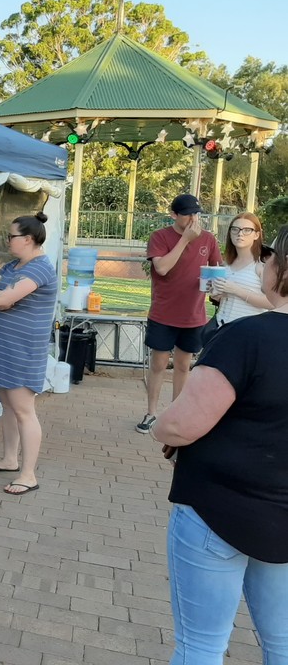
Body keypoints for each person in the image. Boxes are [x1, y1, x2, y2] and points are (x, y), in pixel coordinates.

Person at [152, 227, 288, 663]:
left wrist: (160, 430)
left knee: (202, 646)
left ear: (282, 270)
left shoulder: (249, 337)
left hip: (220, 509)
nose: (264, 263)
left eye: (271, 258)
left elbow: (178, 426)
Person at [0, 212, 58, 496]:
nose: (7, 240)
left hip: (23, 351)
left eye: (11, 236)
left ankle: (28, 474)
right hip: (5, 347)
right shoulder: (12, 265)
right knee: (9, 407)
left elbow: (0, 297)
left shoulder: (39, 268)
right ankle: (10, 459)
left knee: (24, 410)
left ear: (27, 239)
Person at [136, 194, 222, 433]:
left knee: (184, 365)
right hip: (164, 313)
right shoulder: (160, 237)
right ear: (174, 215)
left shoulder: (208, 239)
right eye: (187, 214)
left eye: (196, 213)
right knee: (159, 363)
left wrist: (217, 288)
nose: (193, 218)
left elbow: (216, 270)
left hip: (193, 314)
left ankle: (175, 412)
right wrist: (184, 240)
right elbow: (161, 268)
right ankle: (151, 412)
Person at [203, 212, 272, 346]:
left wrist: (235, 289)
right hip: (221, 329)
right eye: (235, 229)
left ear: (256, 235)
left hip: (249, 334)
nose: (240, 234)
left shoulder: (261, 266)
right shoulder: (226, 265)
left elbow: (272, 302)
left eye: (247, 230)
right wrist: (217, 294)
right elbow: (224, 298)